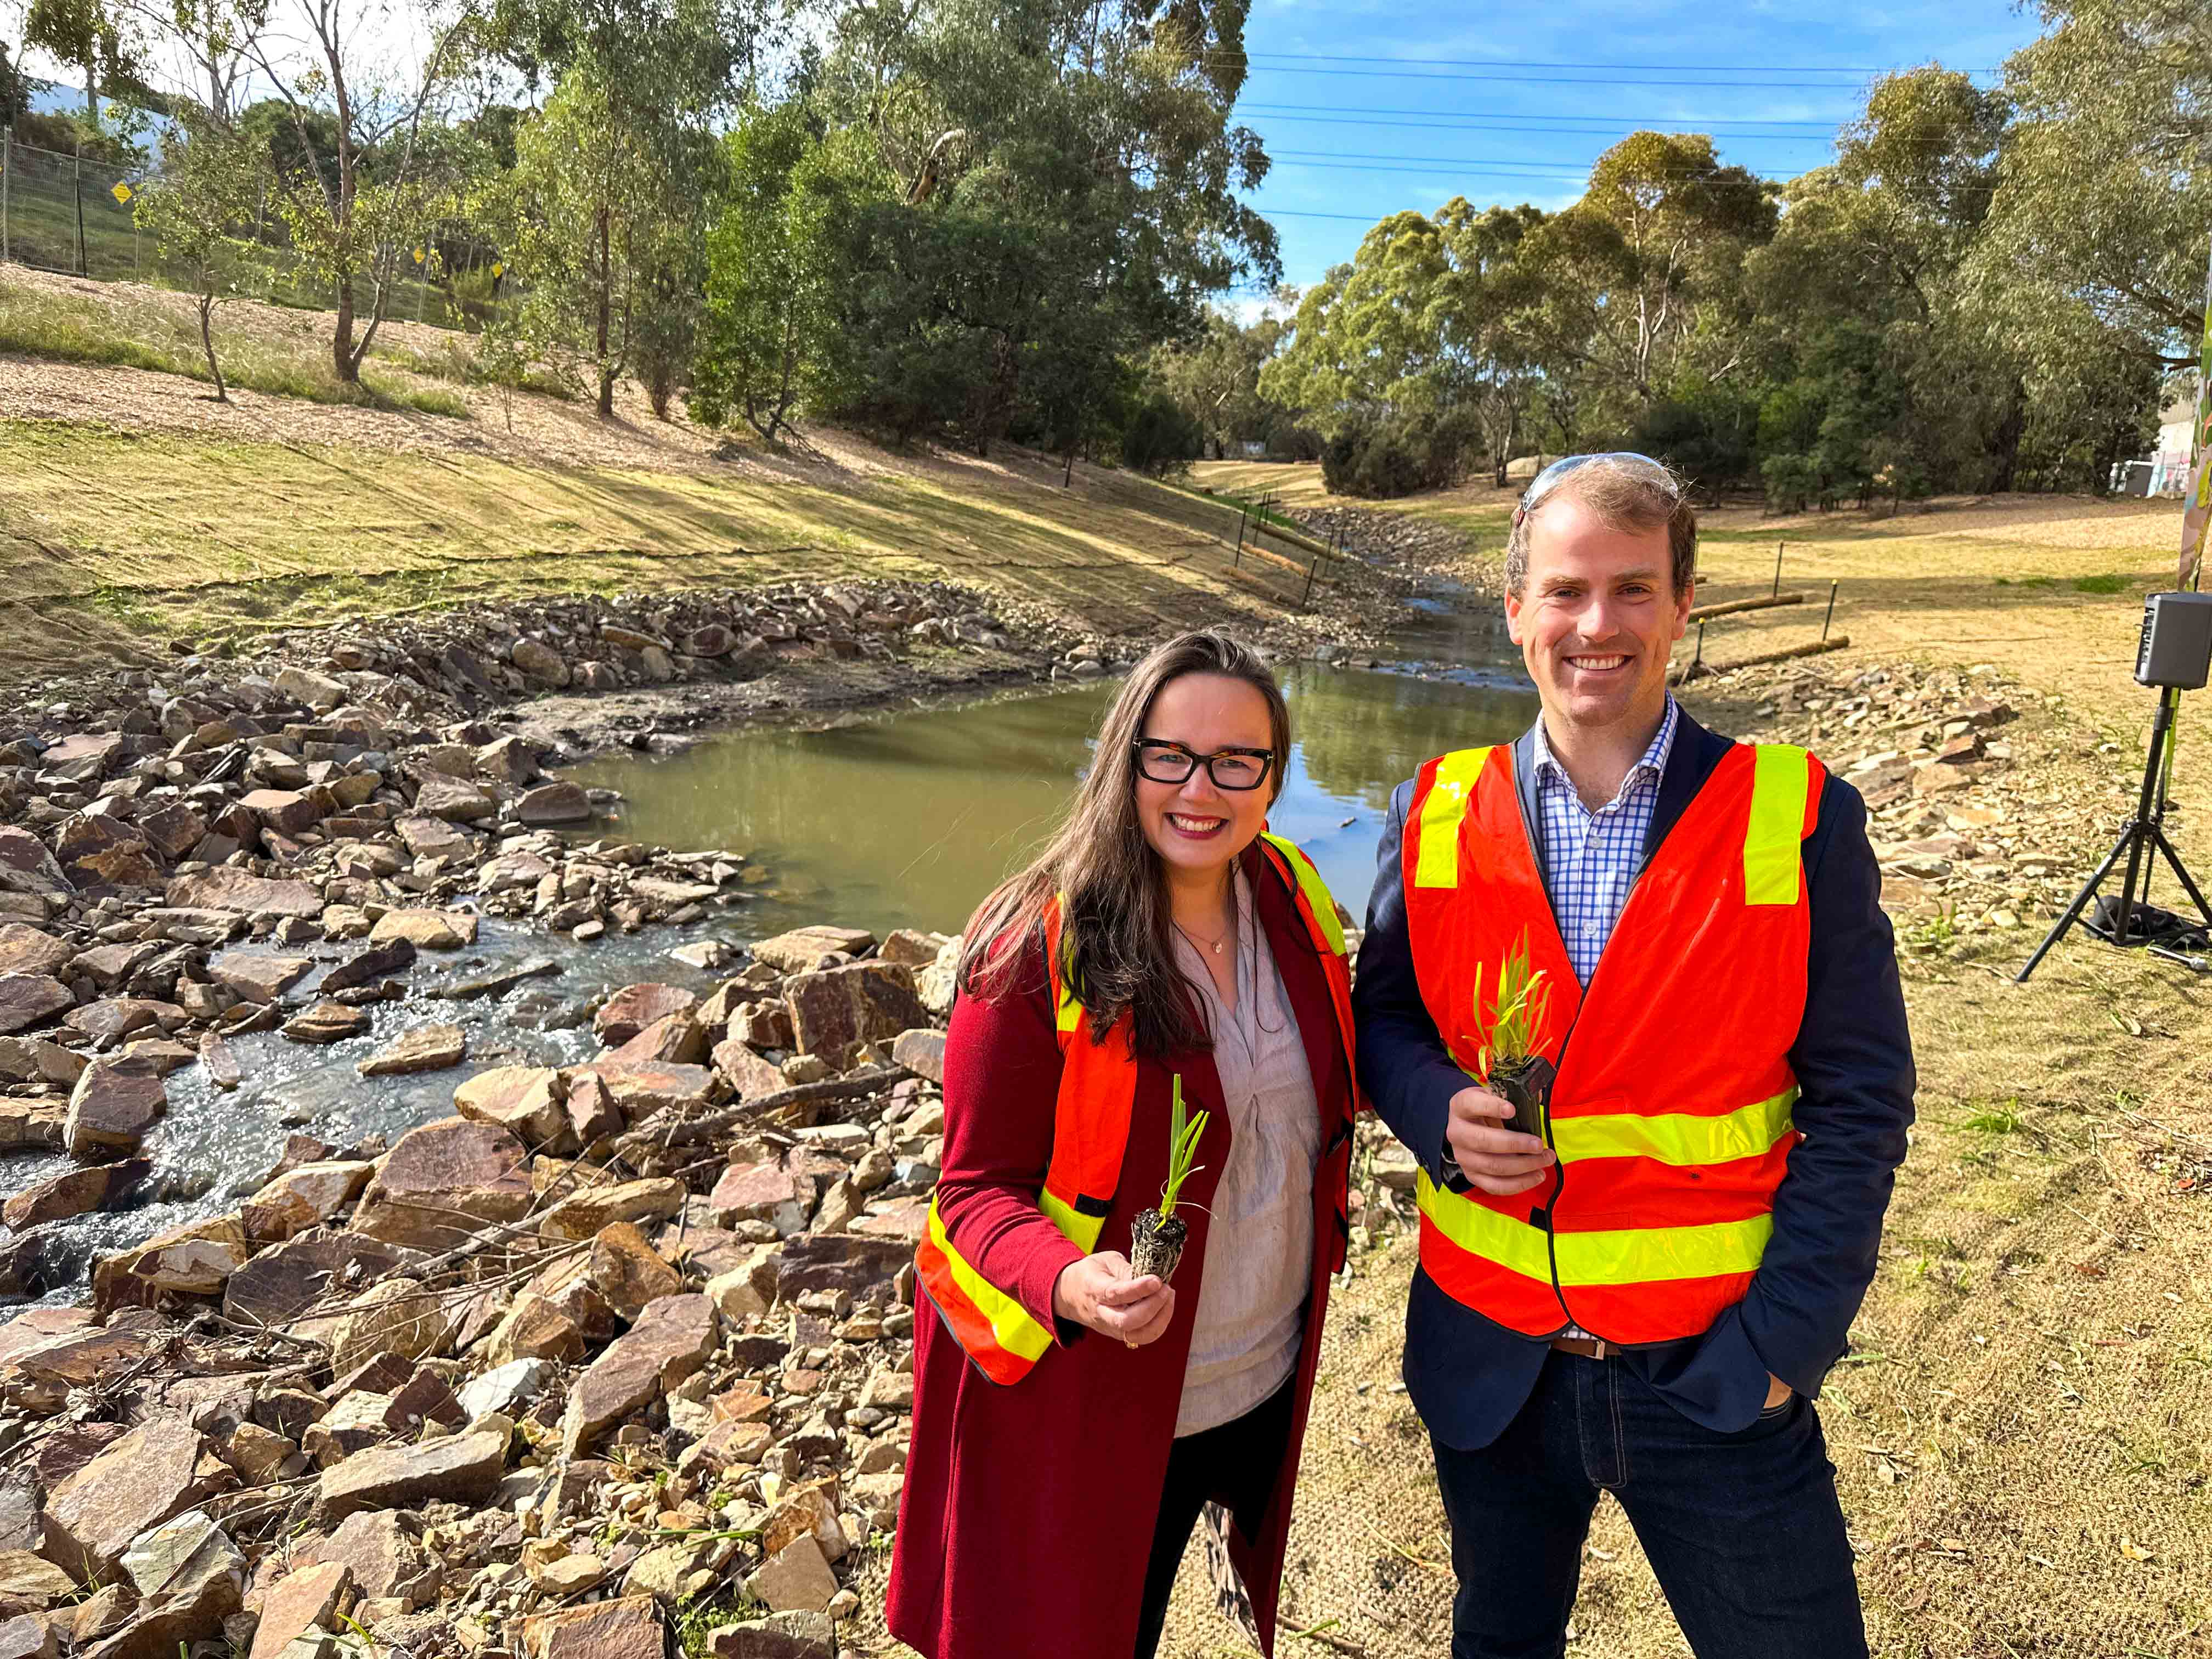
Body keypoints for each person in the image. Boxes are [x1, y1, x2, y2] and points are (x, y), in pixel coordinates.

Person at [1354, 453, 1916, 1659]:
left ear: (1683, 603)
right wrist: (1435, 1111)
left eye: (1633, 590)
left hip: (1716, 1372)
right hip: (1489, 1367)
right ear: (1514, 613)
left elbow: (1863, 1100)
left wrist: (1784, 1348)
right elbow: (1383, 1023)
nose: (1595, 625)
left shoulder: (1796, 812)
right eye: (1563, 591)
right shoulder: (1432, 808)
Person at [888, 630, 1361, 1659]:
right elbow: (971, 1194)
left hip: (1258, 1379)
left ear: (1275, 776)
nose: (1203, 788)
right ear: (1123, 756)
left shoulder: (1290, 895)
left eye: (1240, 759)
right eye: (1170, 755)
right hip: (1086, 1401)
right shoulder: (1030, 943)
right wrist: (1067, 1281)